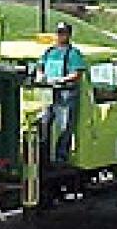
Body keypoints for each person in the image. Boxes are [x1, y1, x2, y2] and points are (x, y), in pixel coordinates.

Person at [36, 22, 87, 163]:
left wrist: (61, 80)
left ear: (68, 35)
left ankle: (61, 156)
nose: (60, 35)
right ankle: (43, 156)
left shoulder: (73, 53)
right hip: (48, 91)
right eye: (58, 32)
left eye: (63, 33)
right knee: (43, 122)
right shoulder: (49, 52)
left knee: (64, 126)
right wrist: (41, 76)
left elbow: (77, 73)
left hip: (66, 93)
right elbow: (40, 66)